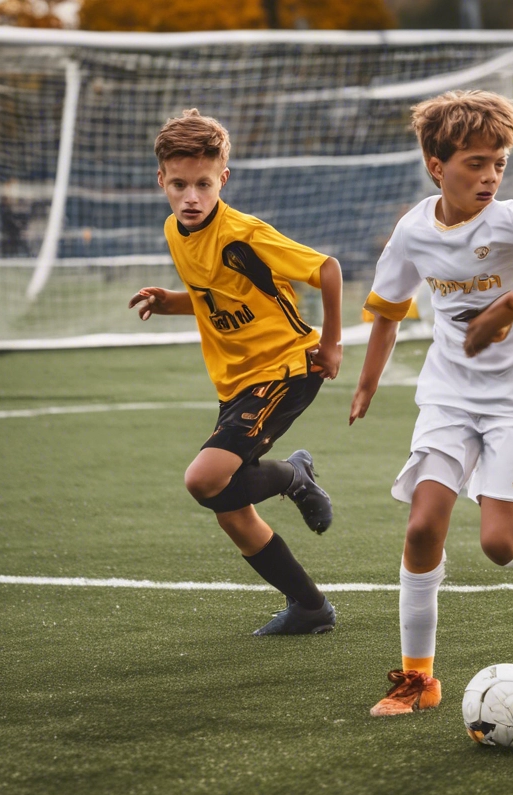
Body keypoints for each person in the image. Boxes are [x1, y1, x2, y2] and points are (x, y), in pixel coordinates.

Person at [350, 90, 513, 717]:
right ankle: (418, 678)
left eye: (498, 163)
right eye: (474, 163)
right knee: (422, 524)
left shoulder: (512, 219)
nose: (490, 176)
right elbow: (386, 310)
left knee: (498, 543)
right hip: (446, 396)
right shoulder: (414, 230)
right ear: (437, 166)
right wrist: (366, 382)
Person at [129, 108, 341, 636]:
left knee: (203, 479)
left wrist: (331, 344)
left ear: (222, 178)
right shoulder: (176, 231)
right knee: (230, 508)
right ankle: (310, 607)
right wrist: (171, 300)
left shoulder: (243, 234)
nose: (192, 196)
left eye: (203, 183)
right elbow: (214, 296)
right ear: (162, 182)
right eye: (179, 185)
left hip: (287, 368)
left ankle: (295, 475)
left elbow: (329, 270)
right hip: (238, 381)